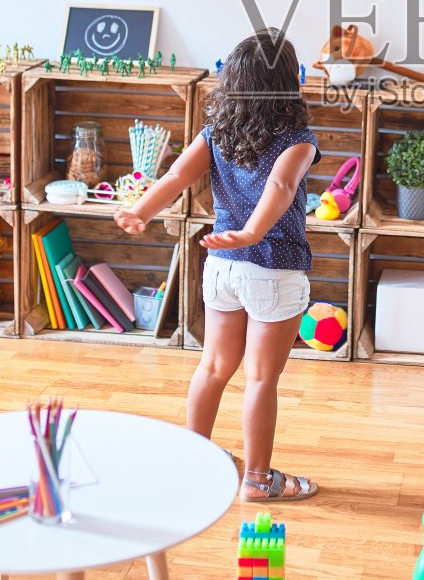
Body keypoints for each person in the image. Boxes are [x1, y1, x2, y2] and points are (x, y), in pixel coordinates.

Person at [115, 28, 321, 499]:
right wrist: (253, 233)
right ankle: (258, 479)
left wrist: (142, 210)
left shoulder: (216, 134)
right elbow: (282, 189)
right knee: (262, 378)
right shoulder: (299, 140)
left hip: (222, 266)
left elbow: (176, 175)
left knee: (212, 367)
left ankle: (194, 460)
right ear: (289, 84)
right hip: (273, 265)